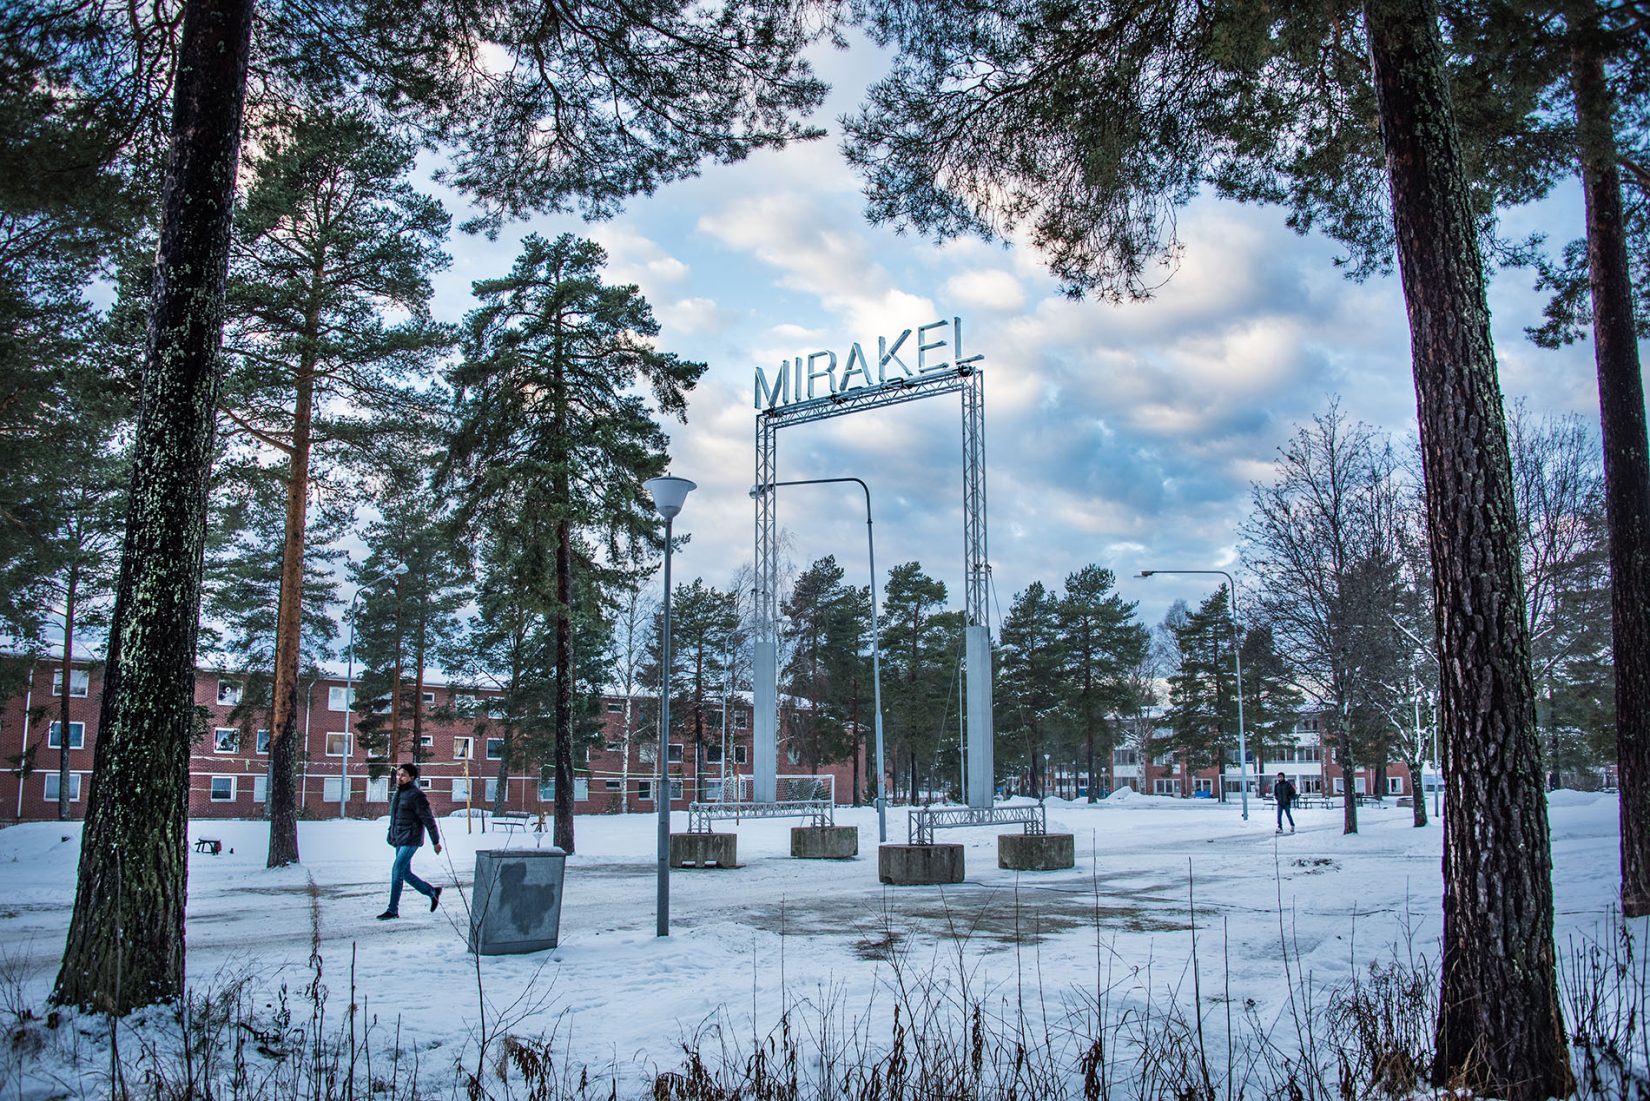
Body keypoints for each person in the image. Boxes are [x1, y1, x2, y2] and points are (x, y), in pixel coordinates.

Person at [380, 762, 443, 919]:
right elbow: (395, 818)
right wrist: (392, 834)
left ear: (411, 777)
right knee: (405, 873)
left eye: (403, 775)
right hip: (400, 838)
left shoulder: (417, 795)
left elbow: (428, 819)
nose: (399, 777)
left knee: (397, 870)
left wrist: (435, 841)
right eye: (398, 774)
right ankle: (432, 892)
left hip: (411, 839)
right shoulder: (398, 793)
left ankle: (392, 910)